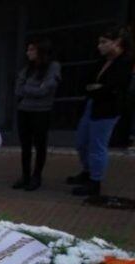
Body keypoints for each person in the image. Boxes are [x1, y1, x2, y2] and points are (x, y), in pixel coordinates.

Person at [67, 26, 134, 198]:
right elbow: (86, 83)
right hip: (92, 105)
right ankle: (87, 171)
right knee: (82, 142)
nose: (100, 46)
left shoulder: (124, 64)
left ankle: (95, 182)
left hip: (107, 110)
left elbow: (112, 88)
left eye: (104, 42)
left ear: (117, 43)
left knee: (97, 145)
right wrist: (95, 89)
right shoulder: (101, 62)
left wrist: (97, 89)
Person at [13, 38, 62, 191]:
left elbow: (45, 89)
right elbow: (18, 89)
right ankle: (25, 176)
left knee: (40, 145)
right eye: (28, 50)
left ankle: (37, 176)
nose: (28, 53)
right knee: (25, 145)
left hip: (41, 111)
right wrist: (33, 88)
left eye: (32, 50)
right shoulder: (27, 68)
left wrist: (29, 88)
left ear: (41, 51)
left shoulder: (53, 67)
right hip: (24, 110)